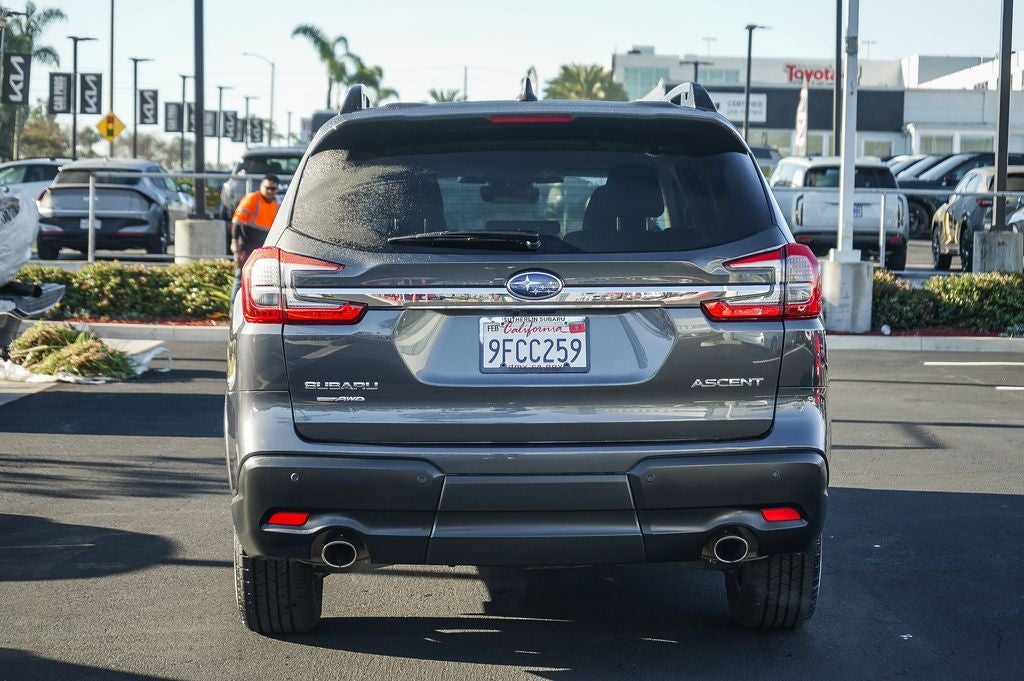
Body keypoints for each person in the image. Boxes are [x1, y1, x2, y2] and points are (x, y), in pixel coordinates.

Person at [230, 174, 280, 299]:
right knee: (241, 276)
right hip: (246, 246)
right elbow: (237, 221)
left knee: (259, 280)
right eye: (267, 187)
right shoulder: (252, 199)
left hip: (262, 248)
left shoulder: (276, 204)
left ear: (276, 190)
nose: (269, 191)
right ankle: (233, 311)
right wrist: (234, 242)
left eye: (272, 189)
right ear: (261, 187)